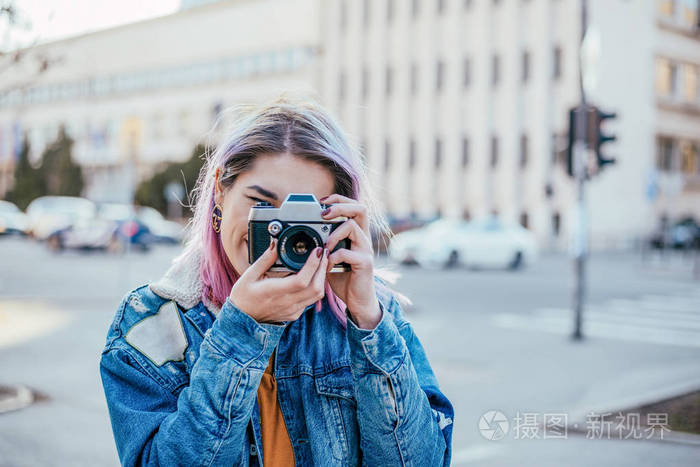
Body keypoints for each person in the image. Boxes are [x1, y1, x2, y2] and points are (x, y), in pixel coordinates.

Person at [100, 98, 454, 466]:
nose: (282, 236)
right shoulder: (154, 322)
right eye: (264, 206)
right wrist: (241, 333)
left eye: (306, 216)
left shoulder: (372, 315)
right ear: (221, 191)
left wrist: (367, 319)